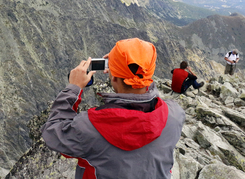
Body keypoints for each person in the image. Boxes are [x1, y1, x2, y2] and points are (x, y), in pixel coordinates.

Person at [41, 38, 185, 179]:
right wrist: (124, 65)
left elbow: (53, 132)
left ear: (113, 77)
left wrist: (74, 88)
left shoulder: (89, 127)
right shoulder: (174, 115)